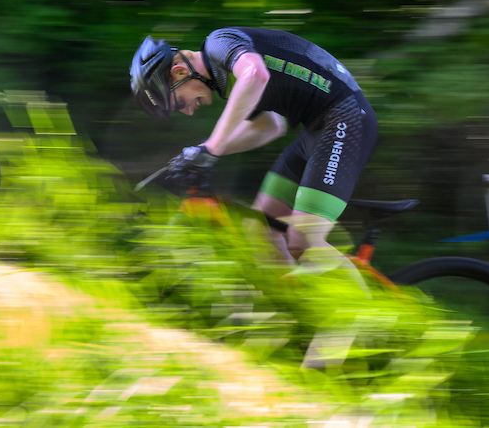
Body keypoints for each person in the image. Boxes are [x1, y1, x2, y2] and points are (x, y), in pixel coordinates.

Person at [129, 27, 378, 269]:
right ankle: (291, 307)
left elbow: (256, 74)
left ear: (181, 72)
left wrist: (212, 147)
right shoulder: (226, 77)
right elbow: (268, 127)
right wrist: (199, 151)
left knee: (304, 242)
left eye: (178, 103)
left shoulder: (220, 43)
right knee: (261, 231)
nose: (188, 111)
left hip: (346, 120)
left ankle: (372, 309)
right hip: (316, 130)